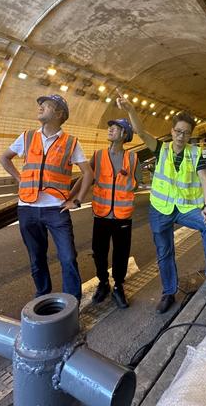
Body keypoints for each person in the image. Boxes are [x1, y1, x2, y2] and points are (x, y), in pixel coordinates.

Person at [117, 91, 206, 314]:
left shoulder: (195, 153)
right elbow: (140, 131)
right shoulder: (161, 148)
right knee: (164, 251)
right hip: (161, 209)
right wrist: (130, 110)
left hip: (187, 208)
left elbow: (204, 179)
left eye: (186, 133)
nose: (181, 136)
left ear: (190, 135)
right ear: (172, 131)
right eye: (178, 131)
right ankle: (168, 292)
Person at [0, 94, 93, 301]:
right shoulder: (27, 137)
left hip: (56, 209)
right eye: (40, 105)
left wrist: (76, 200)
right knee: (36, 258)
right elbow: (4, 158)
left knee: (68, 257)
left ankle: (72, 300)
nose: (40, 107)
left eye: (47, 105)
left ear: (59, 114)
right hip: (27, 208)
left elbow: (88, 173)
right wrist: (20, 178)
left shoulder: (71, 143)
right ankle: (42, 294)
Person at [72, 118, 141, 309]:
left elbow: (139, 181)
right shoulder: (99, 155)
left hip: (123, 216)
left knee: (121, 253)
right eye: (110, 127)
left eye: (116, 128)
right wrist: (72, 196)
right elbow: (86, 177)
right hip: (101, 215)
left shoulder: (133, 158)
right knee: (99, 252)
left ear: (124, 134)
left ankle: (118, 286)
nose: (110, 129)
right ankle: (103, 282)